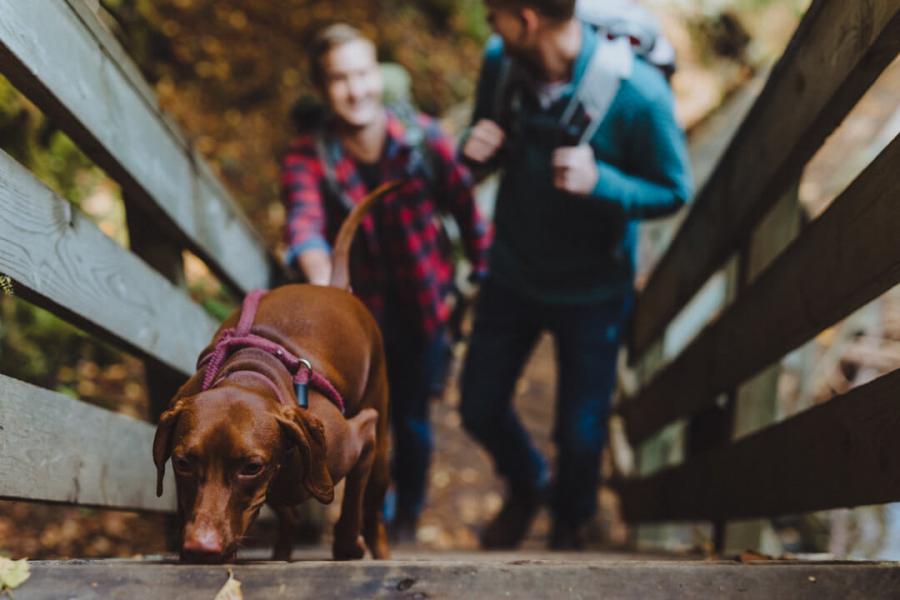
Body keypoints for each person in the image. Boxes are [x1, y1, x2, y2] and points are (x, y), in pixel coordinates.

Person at [458, 0, 693, 550]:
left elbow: (674, 190)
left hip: (593, 292)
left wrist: (603, 182)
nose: (489, 26)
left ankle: (570, 524)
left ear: (527, 19)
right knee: (478, 406)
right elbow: (484, 139)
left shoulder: (640, 95)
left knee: (583, 437)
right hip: (512, 272)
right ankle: (528, 485)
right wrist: (474, 156)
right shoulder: (502, 62)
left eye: (494, 15)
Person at [280, 24, 491, 541]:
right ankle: (369, 509)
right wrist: (327, 287)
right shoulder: (309, 157)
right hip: (357, 322)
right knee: (362, 417)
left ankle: (405, 518)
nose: (356, 90)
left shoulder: (425, 140)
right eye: (339, 79)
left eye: (362, 73)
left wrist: (481, 275)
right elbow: (304, 227)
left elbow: (467, 209)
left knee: (414, 420)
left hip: (425, 310)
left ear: (379, 75)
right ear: (323, 89)